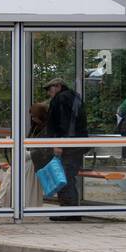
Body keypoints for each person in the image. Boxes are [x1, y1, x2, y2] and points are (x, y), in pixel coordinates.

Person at [45, 76, 87, 220]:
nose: (48, 93)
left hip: (68, 145)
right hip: (77, 144)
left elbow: (64, 123)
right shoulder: (75, 97)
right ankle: (70, 210)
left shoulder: (61, 98)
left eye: (49, 89)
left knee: (64, 177)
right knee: (68, 176)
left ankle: (69, 212)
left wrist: (59, 143)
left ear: (57, 86)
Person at [24, 102, 52, 207]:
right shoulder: (35, 126)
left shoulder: (47, 128)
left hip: (39, 159)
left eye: (34, 116)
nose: (32, 119)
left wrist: (30, 154)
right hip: (33, 157)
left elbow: (46, 148)